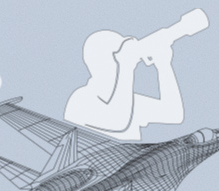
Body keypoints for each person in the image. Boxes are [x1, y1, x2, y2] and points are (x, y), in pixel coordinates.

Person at [63, 9, 207, 140]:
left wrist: (164, 66)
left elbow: (173, 114)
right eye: (119, 52)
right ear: (101, 61)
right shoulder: (80, 101)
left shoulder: (129, 101)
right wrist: (126, 66)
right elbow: (118, 121)